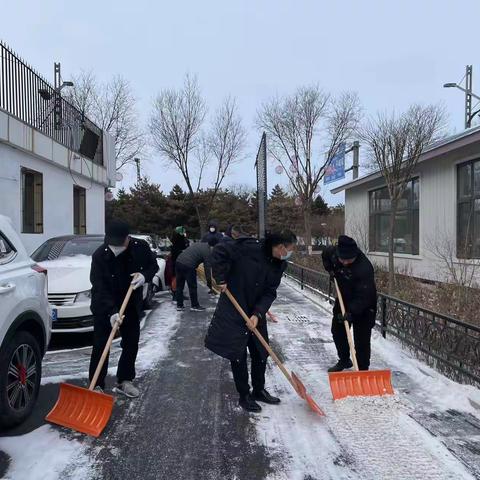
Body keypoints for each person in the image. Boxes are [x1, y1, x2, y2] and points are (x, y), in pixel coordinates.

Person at [205, 230, 297, 412]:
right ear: (280, 247)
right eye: (290, 249)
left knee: (260, 353)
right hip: (234, 308)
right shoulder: (248, 248)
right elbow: (219, 251)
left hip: (255, 312)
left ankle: (259, 390)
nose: (290, 253)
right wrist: (220, 277)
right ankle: (244, 395)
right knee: (238, 354)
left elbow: (270, 292)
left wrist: (258, 314)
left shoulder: (279, 265)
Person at [89, 220, 159, 397]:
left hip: (130, 303)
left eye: (120, 243)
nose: (117, 246)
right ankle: (96, 385)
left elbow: (153, 266)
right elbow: (99, 287)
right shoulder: (100, 256)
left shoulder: (140, 247)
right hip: (105, 306)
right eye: (113, 243)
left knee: (131, 343)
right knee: (101, 345)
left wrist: (144, 276)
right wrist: (111, 312)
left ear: (128, 238)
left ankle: (124, 380)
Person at [322, 235, 377, 373]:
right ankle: (345, 360)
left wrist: (351, 312)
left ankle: (362, 370)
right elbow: (325, 255)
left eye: (349, 260)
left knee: (361, 340)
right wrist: (330, 270)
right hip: (344, 300)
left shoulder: (364, 268)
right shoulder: (333, 253)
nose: (345, 262)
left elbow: (365, 297)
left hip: (364, 306)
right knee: (337, 330)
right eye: (343, 259)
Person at [175, 239, 216, 311]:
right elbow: (207, 269)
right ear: (212, 246)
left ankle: (179, 305)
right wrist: (210, 284)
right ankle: (195, 305)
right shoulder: (207, 251)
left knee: (179, 286)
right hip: (189, 265)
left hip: (178, 261)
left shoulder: (200, 244)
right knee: (192, 286)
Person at [166, 226, 190, 301]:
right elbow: (175, 251)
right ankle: (175, 294)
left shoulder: (182, 240)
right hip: (175, 262)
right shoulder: (175, 241)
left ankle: (179, 294)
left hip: (181, 261)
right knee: (175, 278)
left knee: (180, 279)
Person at [202, 221, 223, 294]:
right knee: (208, 273)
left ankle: (217, 287)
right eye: (211, 227)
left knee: (216, 273)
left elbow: (222, 245)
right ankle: (210, 287)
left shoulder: (219, 235)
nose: (212, 228)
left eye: (213, 227)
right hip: (207, 255)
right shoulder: (206, 236)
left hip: (216, 256)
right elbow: (202, 244)